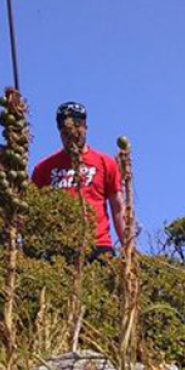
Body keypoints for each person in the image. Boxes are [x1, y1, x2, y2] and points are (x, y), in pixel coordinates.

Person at [31, 102, 127, 260]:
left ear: (86, 126)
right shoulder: (44, 168)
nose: (72, 132)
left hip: (98, 245)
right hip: (59, 248)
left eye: (77, 125)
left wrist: (127, 246)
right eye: (65, 128)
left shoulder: (106, 162)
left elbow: (118, 207)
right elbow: (33, 211)